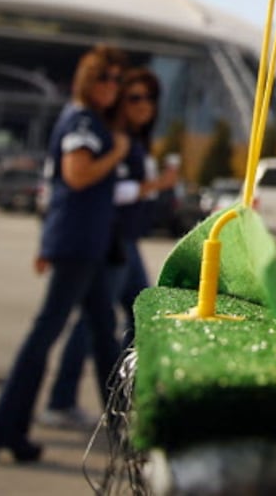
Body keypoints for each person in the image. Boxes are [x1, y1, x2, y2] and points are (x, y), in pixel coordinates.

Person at [0, 45, 131, 464]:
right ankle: (5, 427)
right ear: (87, 80)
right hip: (79, 244)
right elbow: (76, 175)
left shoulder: (88, 120)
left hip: (89, 244)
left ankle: (121, 425)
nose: (111, 87)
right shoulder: (82, 121)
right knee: (46, 333)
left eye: (116, 80)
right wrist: (116, 154)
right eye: (104, 78)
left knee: (103, 335)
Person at [40, 66, 177, 431]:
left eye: (150, 98)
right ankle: (64, 400)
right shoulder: (114, 138)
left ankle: (126, 396)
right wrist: (154, 185)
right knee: (89, 325)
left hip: (125, 242)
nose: (144, 105)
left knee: (136, 319)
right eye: (135, 97)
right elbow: (103, 188)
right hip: (107, 242)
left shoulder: (133, 139)